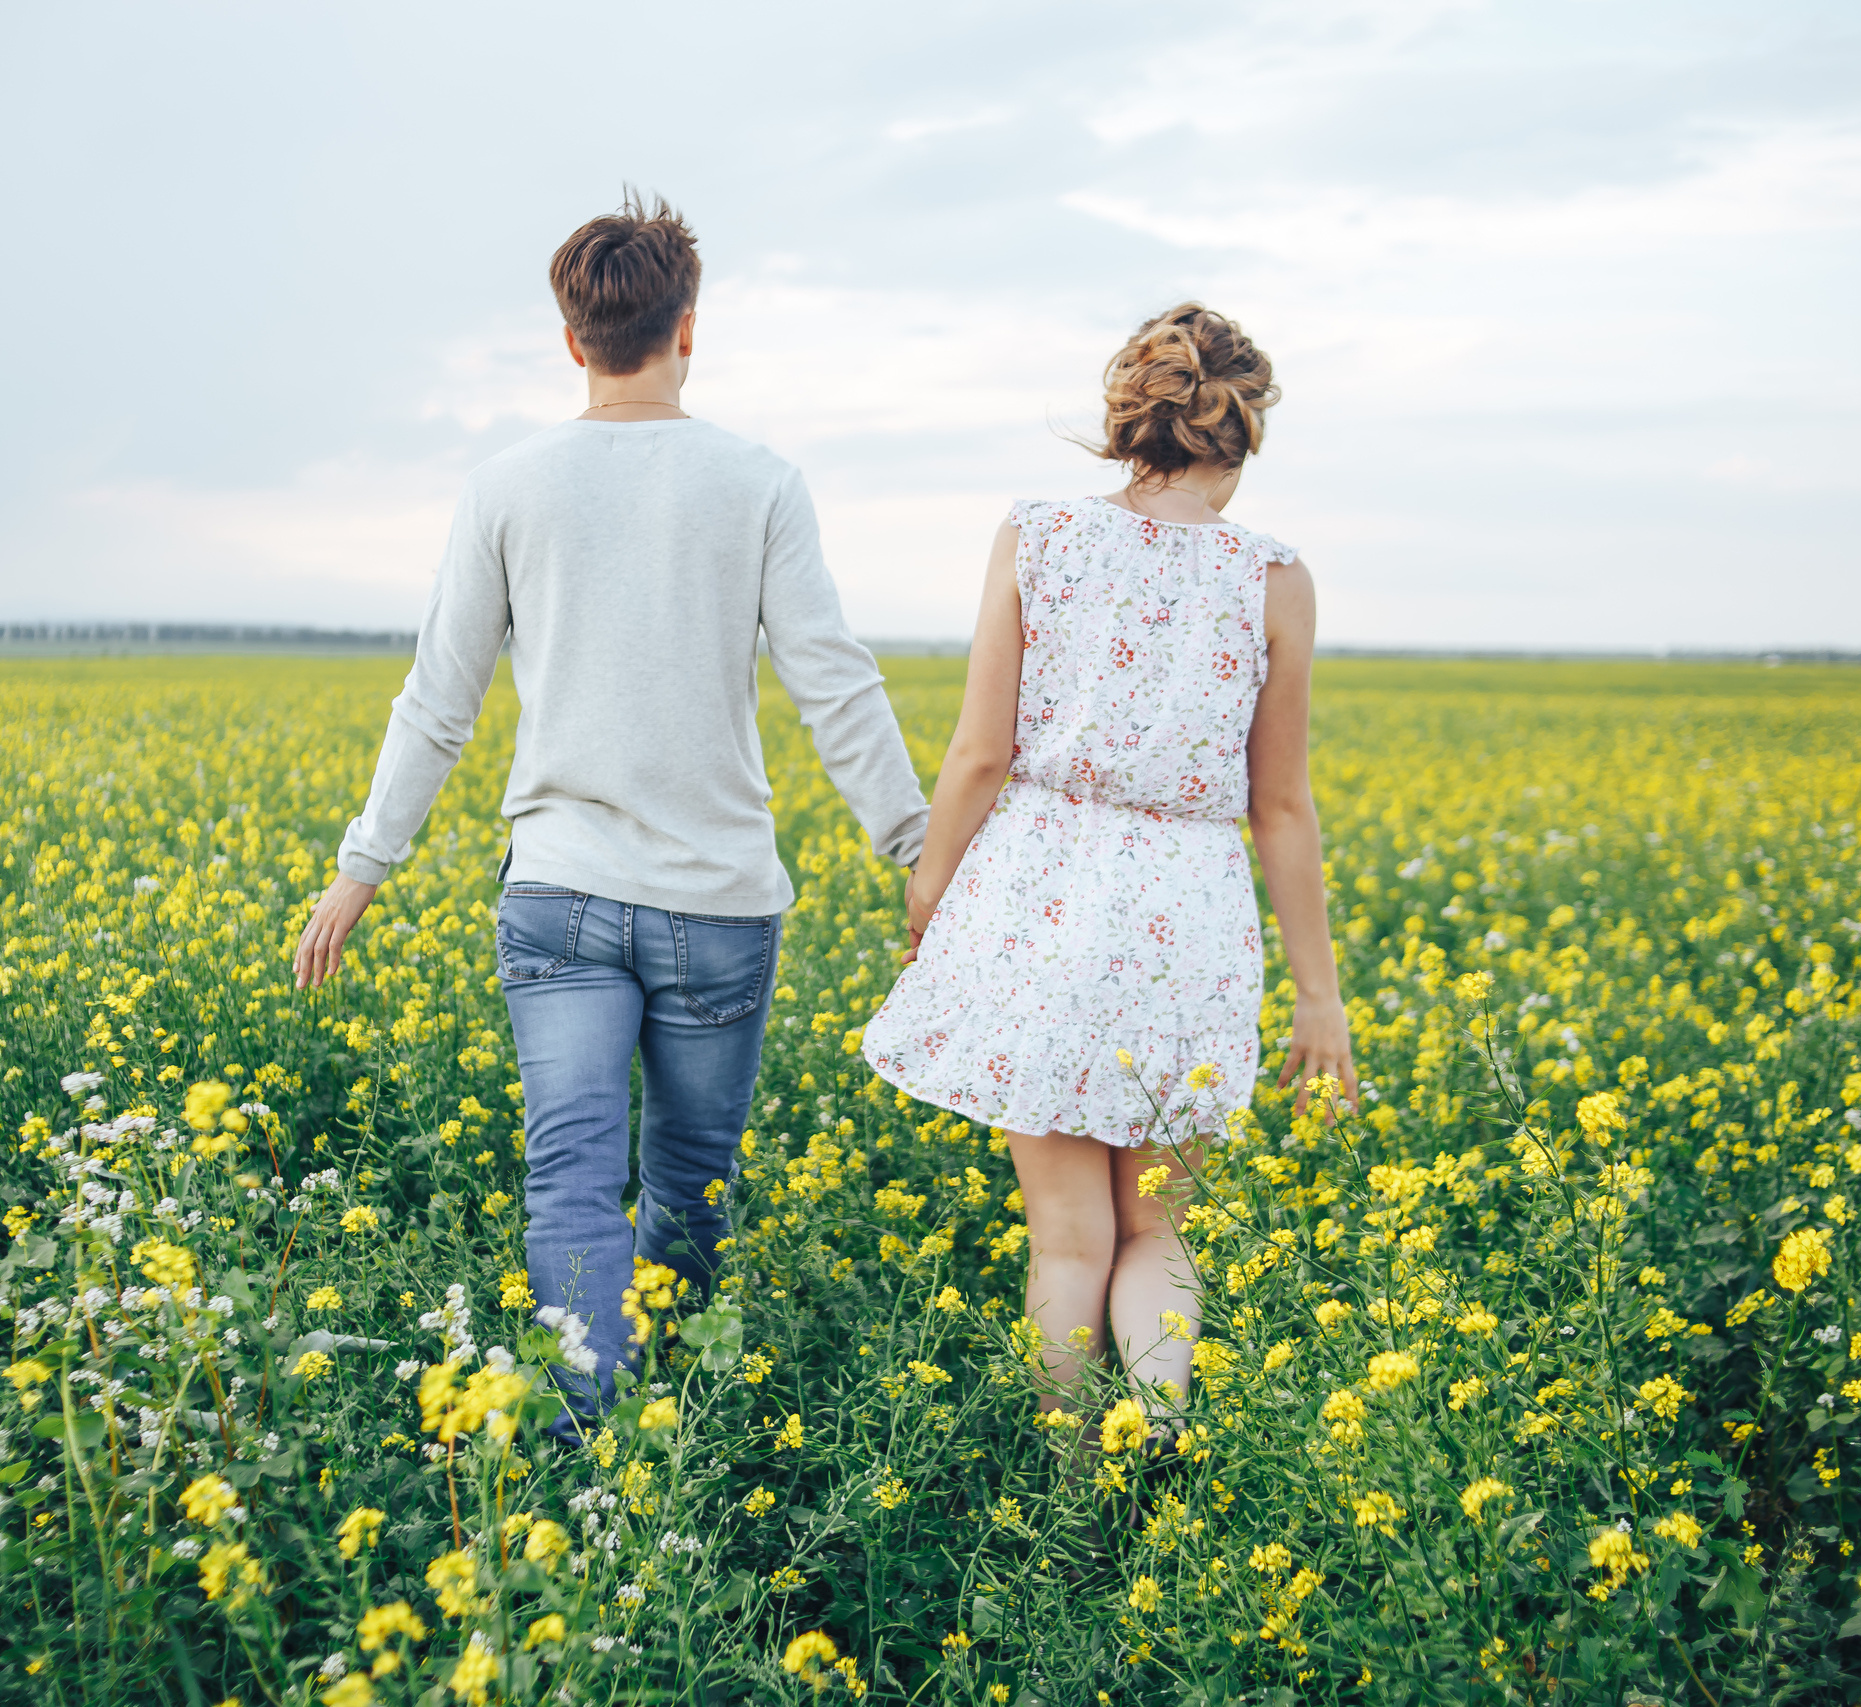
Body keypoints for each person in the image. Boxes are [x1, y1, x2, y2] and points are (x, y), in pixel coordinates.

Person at [292, 193, 930, 1423]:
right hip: (716, 904)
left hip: (559, 896)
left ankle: (599, 1458)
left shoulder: (505, 486)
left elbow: (439, 700)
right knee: (689, 1181)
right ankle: (665, 1432)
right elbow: (832, 683)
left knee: (568, 1176)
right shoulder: (760, 484)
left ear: (572, 339)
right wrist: (914, 847)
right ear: (688, 329)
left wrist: (362, 867)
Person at [861, 303, 1358, 1417]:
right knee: (1158, 1234)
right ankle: (1161, 1435)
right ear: (1241, 435)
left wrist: (931, 888)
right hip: (1187, 911)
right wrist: (1317, 1000)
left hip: (1042, 896)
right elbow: (1280, 805)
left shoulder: (1037, 533)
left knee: (1068, 1246)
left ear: (1126, 417)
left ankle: (1074, 1489)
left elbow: (981, 749)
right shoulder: (1274, 576)